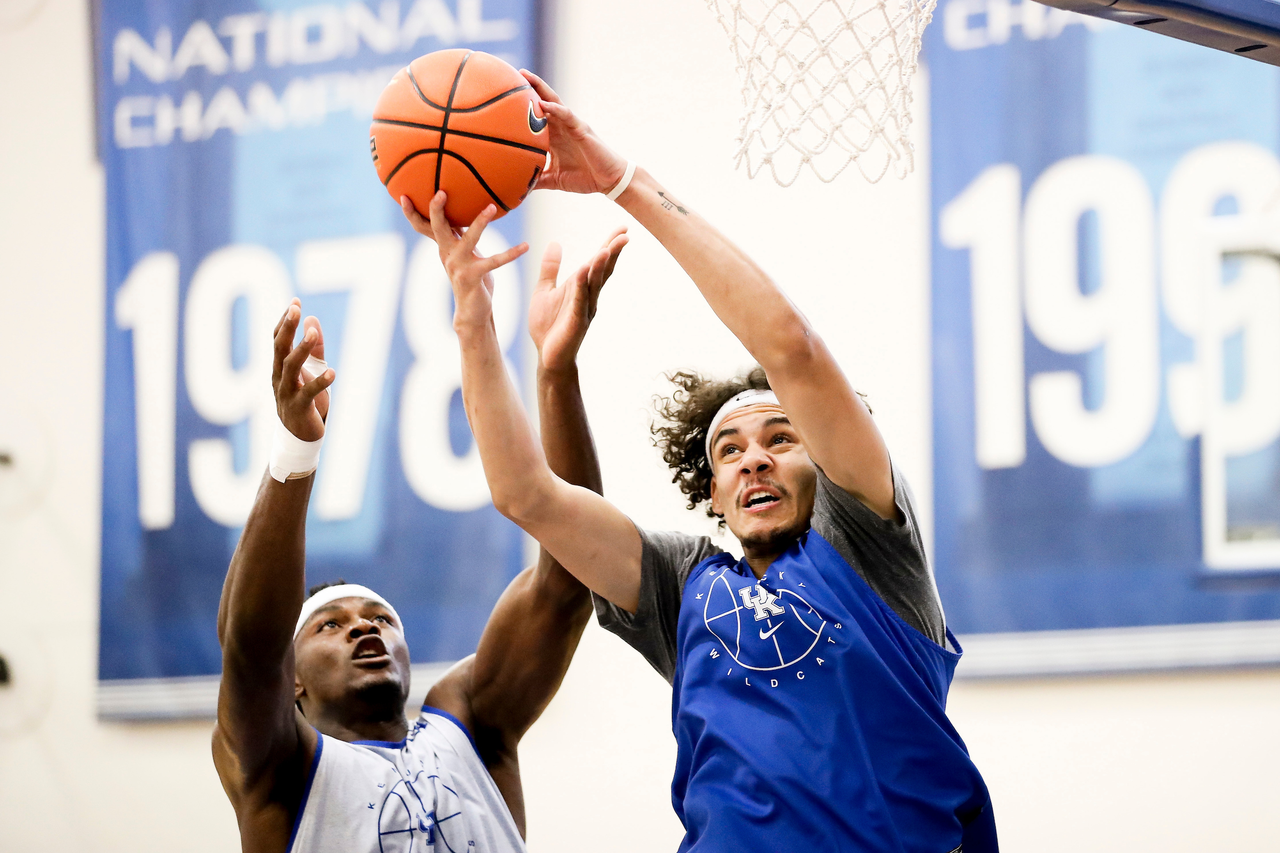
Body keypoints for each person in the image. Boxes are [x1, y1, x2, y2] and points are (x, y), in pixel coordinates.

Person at [403, 70, 997, 853]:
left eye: (781, 438)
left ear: (824, 464)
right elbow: (527, 496)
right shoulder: (685, 586)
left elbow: (791, 346)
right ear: (711, 491)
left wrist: (622, 181)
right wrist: (474, 316)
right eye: (730, 450)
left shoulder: (871, 542)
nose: (754, 460)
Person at [211, 220, 627, 853]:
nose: (364, 628)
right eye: (330, 625)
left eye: (381, 618)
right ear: (293, 679)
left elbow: (573, 570)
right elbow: (250, 647)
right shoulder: (279, 766)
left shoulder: (469, 722)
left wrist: (556, 370)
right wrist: (296, 448)